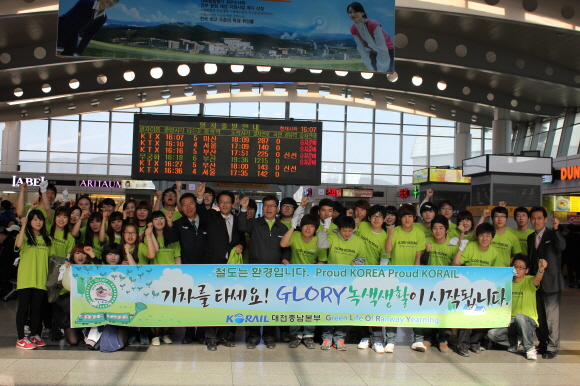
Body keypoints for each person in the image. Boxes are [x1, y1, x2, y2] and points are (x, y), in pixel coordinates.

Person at [195, 183, 244, 350]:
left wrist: (241, 246)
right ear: (218, 203)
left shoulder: (237, 220)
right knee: (210, 300)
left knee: (227, 301)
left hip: (230, 268)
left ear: (233, 204)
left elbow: (242, 238)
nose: (224, 205)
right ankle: (210, 335)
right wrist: (200, 198)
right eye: (221, 202)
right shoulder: (211, 216)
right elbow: (200, 212)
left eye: (227, 202)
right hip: (211, 266)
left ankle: (223, 335)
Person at [239, 195, 290, 349]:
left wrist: (285, 259)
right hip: (255, 272)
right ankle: (254, 335)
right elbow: (241, 226)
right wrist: (242, 209)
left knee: (271, 304)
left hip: (274, 273)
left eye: (272, 205)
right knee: (255, 303)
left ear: (277, 208)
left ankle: (269, 335)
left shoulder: (283, 228)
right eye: (266, 205)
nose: (268, 208)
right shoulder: (254, 223)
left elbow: (286, 248)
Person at [280, 197, 325, 350]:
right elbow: (283, 243)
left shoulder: (319, 241)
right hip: (293, 280)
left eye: (311, 226)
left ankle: (308, 335)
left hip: (311, 280)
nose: (308, 229)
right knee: (294, 307)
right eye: (305, 225)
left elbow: (322, 261)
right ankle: (295, 335)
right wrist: (293, 227)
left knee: (310, 307)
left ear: (315, 229)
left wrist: (312, 273)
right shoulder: (296, 236)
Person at [317, 215, 367, 351]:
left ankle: (340, 337)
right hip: (330, 280)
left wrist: (356, 263)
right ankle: (326, 337)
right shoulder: (333, 237)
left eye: (349, 231)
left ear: (353, 229)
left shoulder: (358, 242)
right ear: (338, 229)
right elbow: (321, 244)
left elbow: (362, 259)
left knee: (342, 309)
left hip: (347, 281)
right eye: (344, 231)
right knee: (329, 308)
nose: (346, 234)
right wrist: (325, 229)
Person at [452, 222, 500, 357]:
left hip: (484, 290)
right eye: (482, 235)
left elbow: (498, 273)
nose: (484, 239)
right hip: (467, 289)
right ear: (477, 236)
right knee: (466, 316)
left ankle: (474, 343)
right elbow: (456, 263)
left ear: (492, 238)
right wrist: (461, 248)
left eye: (488, 236)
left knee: (482, 315)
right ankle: (462, 345)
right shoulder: (471, 246)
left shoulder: (495, 252)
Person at [487, 255, 547, 360]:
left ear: (527, 270)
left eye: (521, 267)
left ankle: (529, 348)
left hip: (527, 321)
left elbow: (538, 278)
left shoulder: (529, 281)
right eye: (515, 266)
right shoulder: (506, 282)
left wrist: (541, 270)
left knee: (520, 317)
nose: (517, 269)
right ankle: (515, 342)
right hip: (510, 321)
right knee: (492, 334)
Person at [384, 204, 426, 353]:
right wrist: (390, 234)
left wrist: (415, 275)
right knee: (393, 307)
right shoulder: (395, 231)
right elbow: (388, 250)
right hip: (395, 275)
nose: (407, 219)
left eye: (410, 216)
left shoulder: (419, 233)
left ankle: (418, 340)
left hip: (412, 276)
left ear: (414, 218)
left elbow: (418, 256)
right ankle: (390, 340)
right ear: (400, 218)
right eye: (404, 216)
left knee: (415, 308)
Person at [167, 192, 207, 345]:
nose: (188, 207)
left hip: (205, 269)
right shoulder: (179, 223)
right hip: (187, 269)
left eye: (191, 203)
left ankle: (202, 333)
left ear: (196, 204)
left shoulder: (205, 221)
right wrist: (170, 223)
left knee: (204, 301)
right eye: (184, 204)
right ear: (180, 208)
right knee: (189, 301)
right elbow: (171, 239)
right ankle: (189, 333)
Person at [526, 206, 565, 359]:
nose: (536, 221)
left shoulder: (552, 234)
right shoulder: (530, 237)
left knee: (551, 317)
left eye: (539, 218)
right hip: (536, 282)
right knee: (540, 316)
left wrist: (556, 229)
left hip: (551, 282)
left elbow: (562, 246)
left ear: (545, 220)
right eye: (533, 218)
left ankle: (552, 347)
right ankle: (543, 344)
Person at [353, 204, 388, 353]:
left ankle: (378, 339)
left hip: (375, 275)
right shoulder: (362, 227)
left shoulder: (386, 236)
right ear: (369, 218)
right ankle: (364, 337)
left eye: (379, 216)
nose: (376, 219)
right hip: (357, 273)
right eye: (374, 216)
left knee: (375, 306)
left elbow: (385, 258)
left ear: (384, 219)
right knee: (360, 305)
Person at [15, 210, 52, 349]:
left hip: (40, 279)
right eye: (35, 219)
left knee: (37, 309)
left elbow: (51, 258)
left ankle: (36, 335)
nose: (38, 222)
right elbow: (18, 245)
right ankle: (20, 338)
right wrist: (22, 226)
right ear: (30, 221)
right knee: (23, 309)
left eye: (40, 219)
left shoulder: (47, 239)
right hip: (26, 278)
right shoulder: (25, 235)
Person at [421, 215, 458, 352]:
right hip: (428, 284)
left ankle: (443, 338)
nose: (437, 231)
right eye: (435, 228)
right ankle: (428, 337)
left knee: (443, 311)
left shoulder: (452, 245)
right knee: (428, 310)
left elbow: (457, 265)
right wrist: (427, 252)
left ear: (447, 230)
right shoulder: (427, 242)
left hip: (446, 285)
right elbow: (422, 263)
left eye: (441, 228)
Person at [148, 211, 181, 347]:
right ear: (151, 222)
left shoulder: (173, 238)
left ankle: (165, 333)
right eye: (155, 219)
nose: (159, 221)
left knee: (169, 307)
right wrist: (150, 233)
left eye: (161, 218)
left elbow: (177, 257)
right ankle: (155, 334)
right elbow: (153, 252)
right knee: (157, 308)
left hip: (171, 278)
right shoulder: (148, 238)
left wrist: (178, 276)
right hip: (155, 278)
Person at [347, 2, 394, 73]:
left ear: (362, 13)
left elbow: (382, 46)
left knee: (387, 72)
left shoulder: (373, 23)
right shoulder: (353, 28)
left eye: (355, 11)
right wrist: (370, 67)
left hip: (388, 50)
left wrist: (381, 69)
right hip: (374, 51)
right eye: (350, 12)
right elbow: (360, 48)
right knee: (373, 71)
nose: (353, 14)